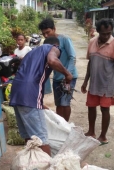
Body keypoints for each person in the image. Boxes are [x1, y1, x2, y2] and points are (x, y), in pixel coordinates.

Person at [9, 37, 73, 156]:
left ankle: (32, 166)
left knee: (29, 137)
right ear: (56, 45)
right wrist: (67, 74)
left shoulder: (31, 53)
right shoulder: (53, 48)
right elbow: (53, 61)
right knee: (41, 139)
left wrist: (40, 104)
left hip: (16, 93)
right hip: (29, 95)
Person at [81, 18, 114, 146]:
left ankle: (103, 136)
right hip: (93, 84)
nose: (106, 36)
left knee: (105, 110)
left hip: (107, 85)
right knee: (91, 107)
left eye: (109, 33)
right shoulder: (92, 42)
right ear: (98, 31)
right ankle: (91, 132)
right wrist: (85, 81)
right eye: (103, 33)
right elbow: (91, 63)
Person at [39, 18, 78, 121]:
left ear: (54, 29)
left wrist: (68, 74)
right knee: (59, 104)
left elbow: (72, 57)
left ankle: (66, 126)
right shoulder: (46, 43)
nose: (46, 35)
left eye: (48, 32)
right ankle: (60, 125)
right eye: (44, 34)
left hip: (69, 76)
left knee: (65, 103)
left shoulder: (65, 39)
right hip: (57, 78)